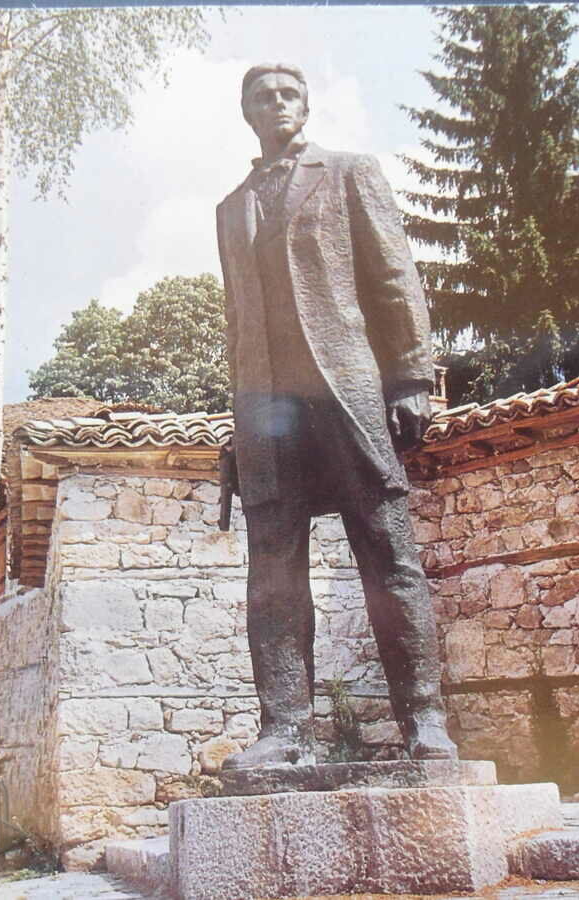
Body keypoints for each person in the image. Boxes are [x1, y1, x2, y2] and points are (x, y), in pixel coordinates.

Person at [215, 63, 458, 768]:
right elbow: (238, 323)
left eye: (289, 93)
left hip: (347, 389)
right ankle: (285, 731)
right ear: (247, 112)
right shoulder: (231, 207)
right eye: (264, 96)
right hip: (266, 408)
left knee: (388, 550)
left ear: (306, 106)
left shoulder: (349, 172)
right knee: (272, 566)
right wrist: (239, 421)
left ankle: (425, 722)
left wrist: (411, 376)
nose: (278, 103)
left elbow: (392, 273)